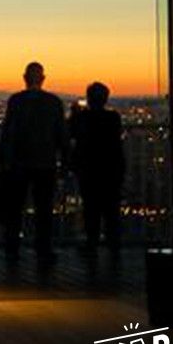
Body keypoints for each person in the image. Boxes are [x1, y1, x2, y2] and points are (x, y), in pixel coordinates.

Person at [0, 61, 67, 267]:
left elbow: (8, 133)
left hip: (19, 164)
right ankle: (43, 251)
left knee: (15, 209)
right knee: (44, 210)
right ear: (43, 79)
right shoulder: (53, 102)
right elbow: (61, 134)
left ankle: (12, 250)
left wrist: (4, 160)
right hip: (45, 163)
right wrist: (65, 161)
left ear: (25, 78)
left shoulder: (16, 101)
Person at [69, 82, 125, 255]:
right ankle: (114, 246)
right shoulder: (113, 117)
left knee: (91, 209)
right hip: (111, 168)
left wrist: (74, 114)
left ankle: (92, 244)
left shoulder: (82, 118)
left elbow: (70, 132)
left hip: (88, 169)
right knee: (111, 210)